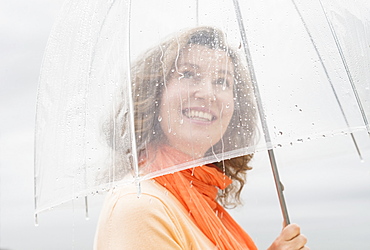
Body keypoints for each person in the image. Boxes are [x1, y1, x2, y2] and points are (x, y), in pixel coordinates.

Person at [94, 27, 309, 250]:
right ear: (154, 94)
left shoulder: (200, 203)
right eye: (188, 74)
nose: (207, 93)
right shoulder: (141, 207)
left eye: (222, 81)